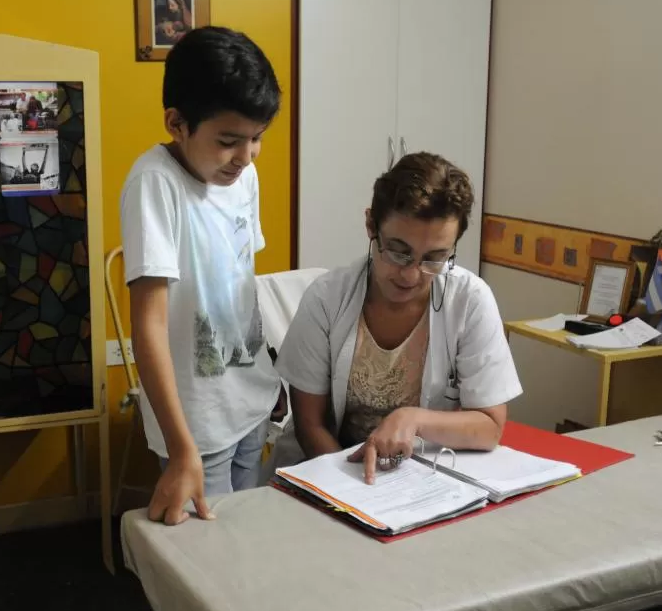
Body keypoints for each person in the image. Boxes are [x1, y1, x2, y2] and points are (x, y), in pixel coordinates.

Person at [121, 26, 286, 529]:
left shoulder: (245, 176)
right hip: (197, 422)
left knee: (245, 545)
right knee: (203, 565)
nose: (247, 155)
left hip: (249, 401)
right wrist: (179, 447)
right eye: (229, 141)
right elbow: (147, 327)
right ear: (177, 123)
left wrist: (270, 376)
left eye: (257, 138)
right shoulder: (155, 183)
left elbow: (240, 285)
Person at [270, 152, 523, 482]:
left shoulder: (469, 300)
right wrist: (350, 487)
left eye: (434, 258)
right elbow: (310, 424)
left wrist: (414, 419)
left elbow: (490, 426)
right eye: (398, 251)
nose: (412, 274)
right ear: (370, 226)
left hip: (415, 477)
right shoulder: (326, 297)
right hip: (324, 469)